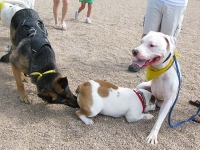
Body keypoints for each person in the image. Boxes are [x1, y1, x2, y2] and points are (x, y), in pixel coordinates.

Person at [128, 0, 188, 72]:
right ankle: (140, 60)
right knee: (147, 34)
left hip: (176, 4)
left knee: (167, 39)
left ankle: (164, 67)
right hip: (156, 1)